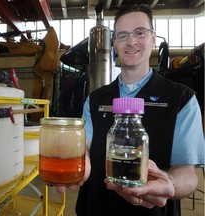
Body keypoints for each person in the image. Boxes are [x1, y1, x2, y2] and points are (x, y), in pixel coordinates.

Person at [55, 4, 204, 216]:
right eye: (123, 35)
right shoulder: (95, 99)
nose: (131, 41)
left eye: (140, 33)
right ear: (114, 44)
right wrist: (77, 163)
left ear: (153, 38)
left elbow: (188, 173)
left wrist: (168, 182)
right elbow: (84, 147)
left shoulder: (182, 99)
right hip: (95, 207)